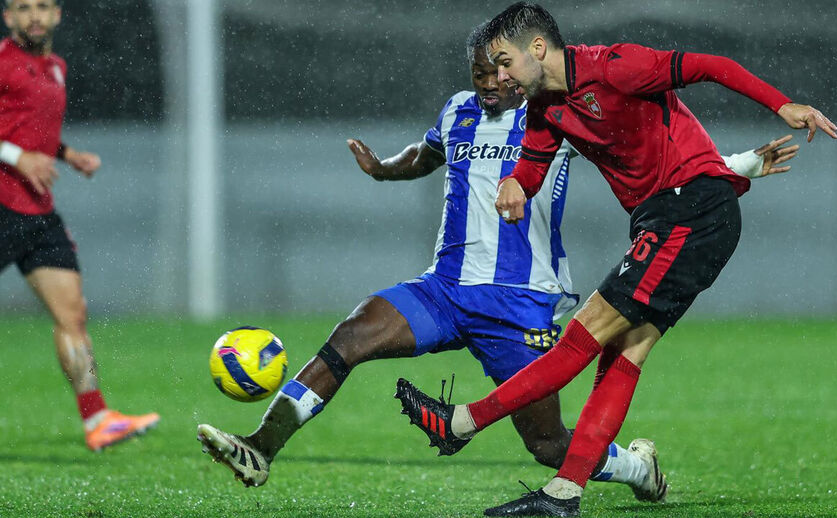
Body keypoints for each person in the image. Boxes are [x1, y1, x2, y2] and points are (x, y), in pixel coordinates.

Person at [196, 22, 796, 496]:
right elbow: (427, 154)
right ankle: (260, 447)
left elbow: (648, 156)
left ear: (521, 68)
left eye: (497, 70)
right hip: (444, 289)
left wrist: (741, 165)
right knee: (352, 334)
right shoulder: (458, 109)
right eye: (478, 72)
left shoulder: (558, 113)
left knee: (547, 443)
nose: (487, 82)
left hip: (521, 303)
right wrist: (384, 169)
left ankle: (637, 470)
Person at [394, 3, 835, 516]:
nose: (500, 75)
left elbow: (714, 65)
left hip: (690, 208)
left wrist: (783, 106)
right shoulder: (545, 108)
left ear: (538, 49)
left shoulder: (617, 66)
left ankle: (463, 422)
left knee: (587, 331)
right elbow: (533, 163)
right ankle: (565, 493)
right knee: (625, 349)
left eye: (506, 62)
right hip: (667, 218)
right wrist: (516, 181)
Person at [0, 0, 159, 451]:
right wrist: (17, 157)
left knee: (72, 315)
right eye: (24, 7)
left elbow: (31, 126)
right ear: (8, 17)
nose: (35, 15)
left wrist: (67, 155)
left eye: (44, 6)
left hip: (37, 214)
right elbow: (17, 142)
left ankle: (98, 419)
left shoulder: (55, 67)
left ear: (58, 14)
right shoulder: (3, 64)